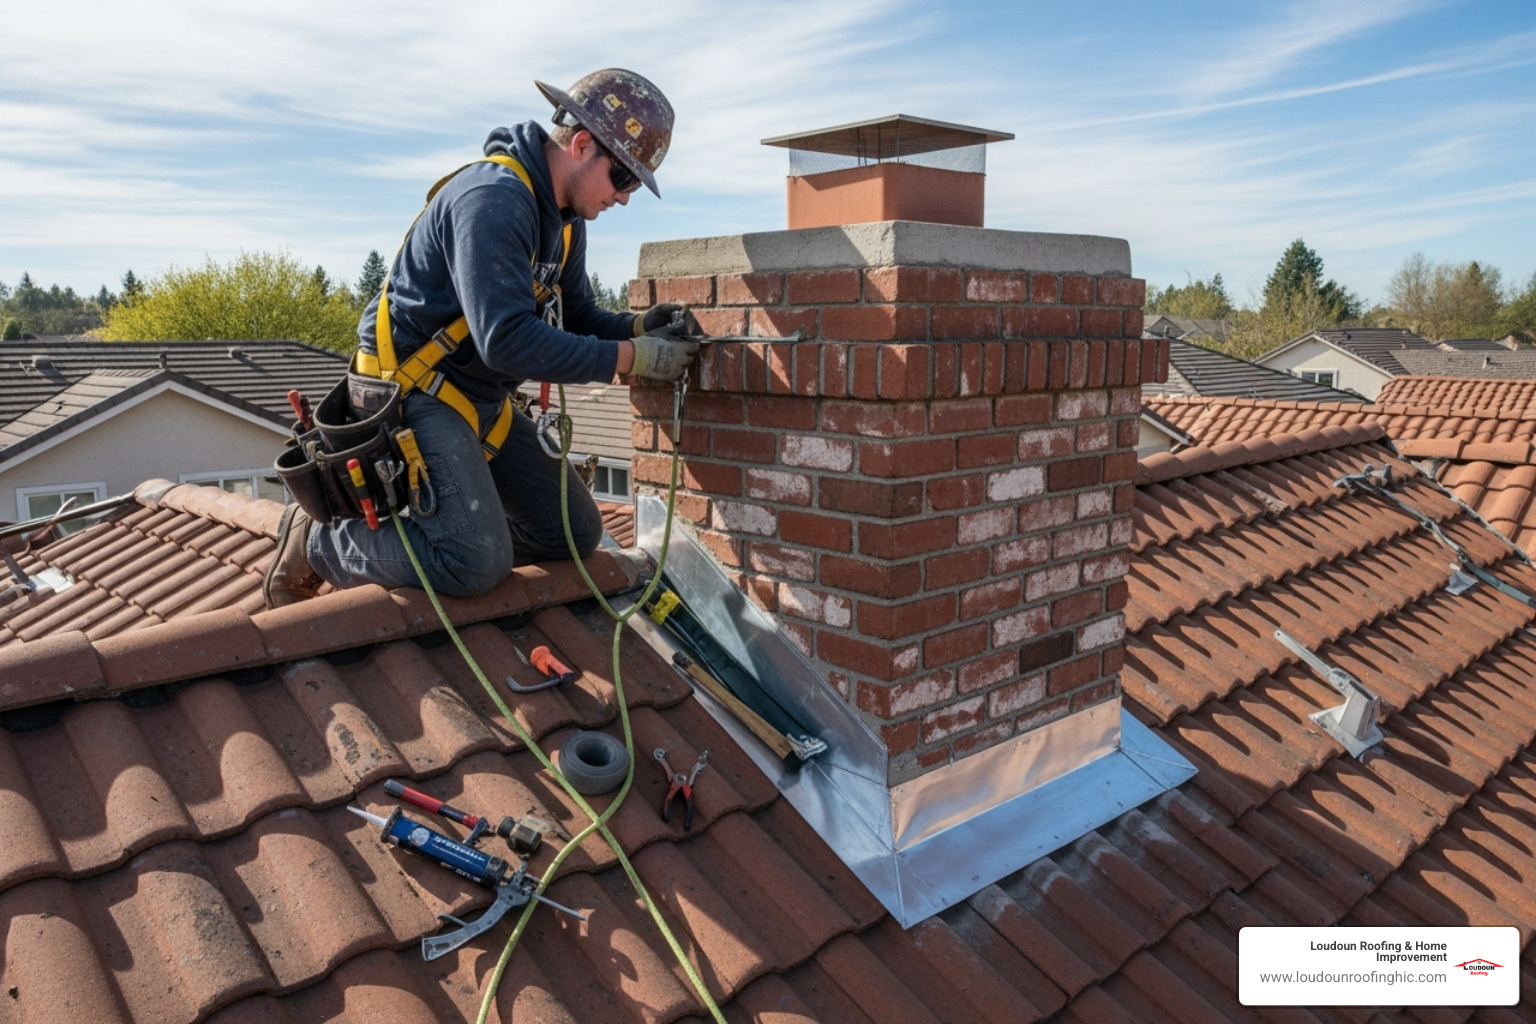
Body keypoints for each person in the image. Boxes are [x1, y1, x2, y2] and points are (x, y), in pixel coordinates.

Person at [263, 68, 698, 608]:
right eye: (623, 178)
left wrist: (638, 328)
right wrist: (632, 358)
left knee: (573, 532)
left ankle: (461, 539)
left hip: (477, 398)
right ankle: (319, 540)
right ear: (582, 144)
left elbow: (576, 313)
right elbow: (506, 340)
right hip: (412, 393)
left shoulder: (565, 220)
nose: (624, 198)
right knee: (474, 563)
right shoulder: (493, 198)